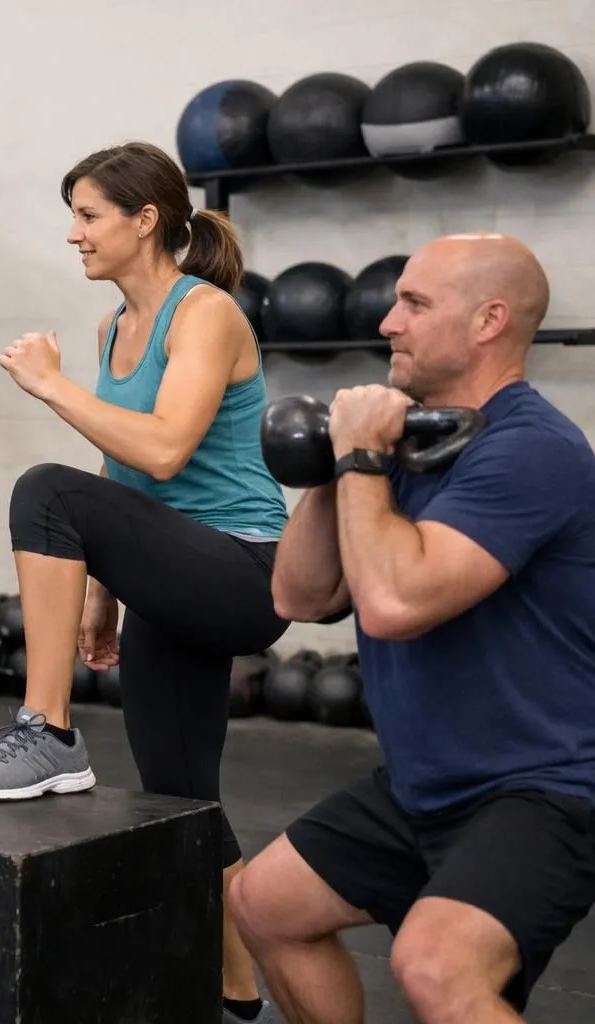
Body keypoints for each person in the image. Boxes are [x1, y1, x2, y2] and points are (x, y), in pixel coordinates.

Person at [0, 141, 290, 1024]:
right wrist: (103, 593)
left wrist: (51, 386)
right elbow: (123, 470)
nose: (74, 234)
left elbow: (165, 449)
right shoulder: (113, 328)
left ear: (145, 220)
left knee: (43, 489)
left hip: (245, 571)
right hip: (178, 573)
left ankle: (48, 730)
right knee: (180, 799)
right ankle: (242, 992)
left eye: (88, 215)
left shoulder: (203, 313)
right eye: (73, 216)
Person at [230, 233, 595, 1024]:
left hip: (545, 789)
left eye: (414, 304)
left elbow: (394, 604)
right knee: (264, 904)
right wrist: (336, 464)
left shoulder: (532, 449)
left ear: (489, 321)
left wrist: (361, 455)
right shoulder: (409, 440)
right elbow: (298, 596)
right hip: (425, 785)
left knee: (436, 969)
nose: (387, 322)